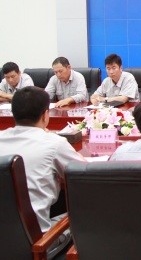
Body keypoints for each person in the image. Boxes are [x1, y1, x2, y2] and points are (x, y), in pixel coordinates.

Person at [0, 86, 85, 257]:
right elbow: (84, 177)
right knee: (83, 215)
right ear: (46, 115)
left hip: (5, 240)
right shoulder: (53, 143)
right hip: (37, 244)